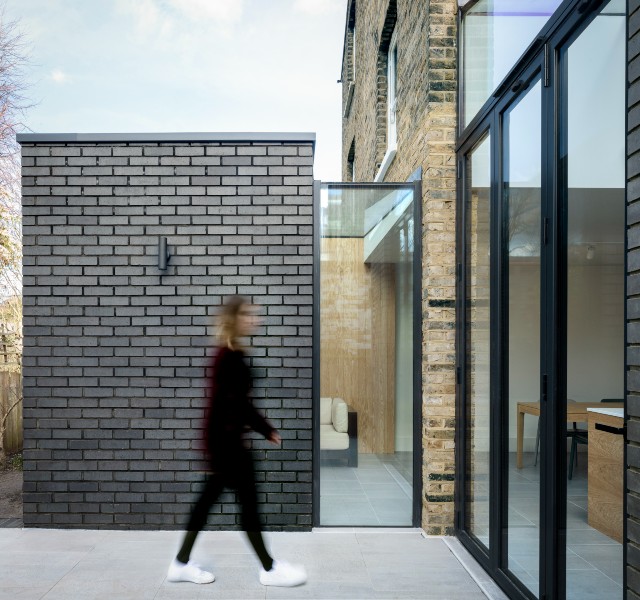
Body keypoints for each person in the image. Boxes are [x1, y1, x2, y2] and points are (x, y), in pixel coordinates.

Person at [167, 295, 307, 587]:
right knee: (245, 508)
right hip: (227, 447)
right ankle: (269, 569)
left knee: (207, 506)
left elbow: (238, 403)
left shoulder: (231, 353)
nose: (254, 319)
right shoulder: (228, 356)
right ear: (233, 318)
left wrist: (264, 429)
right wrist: (264, 429)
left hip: (225, 444)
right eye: (247, 314)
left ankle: (181, 564)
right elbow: (234, 405)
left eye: (254, 314)